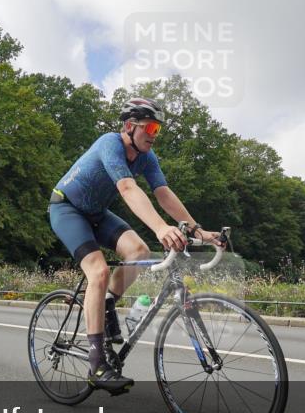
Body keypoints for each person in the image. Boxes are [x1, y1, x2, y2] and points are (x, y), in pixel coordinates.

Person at [48, 97, 224, 395]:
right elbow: (128, 188)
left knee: (139, 251)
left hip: (96, 213)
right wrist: (160, 227)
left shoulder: (146, 157)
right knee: (99, 272)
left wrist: (199, 231)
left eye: (158, 128)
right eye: (150, 127)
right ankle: (96, 364)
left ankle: (106, 304)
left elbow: (163, 194)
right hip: (66, 209)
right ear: (130, 127)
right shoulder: (110, 144)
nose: (155, 134)